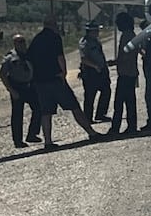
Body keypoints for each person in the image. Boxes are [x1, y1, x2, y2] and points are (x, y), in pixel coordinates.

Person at [26, 15, 100, 148]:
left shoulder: (36, 39)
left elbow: (28, 60)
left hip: (40, 81)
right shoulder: (54, 38)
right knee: (74, 106)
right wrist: (63, 73)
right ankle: (91, 132)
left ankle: (48, 141)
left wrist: (33, 76)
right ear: (53, 24)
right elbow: (60, 57)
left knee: (46, 112)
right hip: (55, 78)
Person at [0, 34, 40, 148]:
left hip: (30, 86)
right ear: (14, 44)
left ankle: (32, 134)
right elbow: (2, 74)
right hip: (17, 87)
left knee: (39, 108)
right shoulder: (10, 57)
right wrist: (11, 90)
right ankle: (18, 141)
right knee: (17, 115)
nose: (22, 44)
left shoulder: (29, 54)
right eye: (19, 42)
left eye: (23, 41)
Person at [108, 12, 140, 135]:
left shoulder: (127, 36)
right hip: (130, 72)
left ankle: (115, 128)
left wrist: (115, 62)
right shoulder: (131, 35)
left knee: (120, 102)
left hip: (126, 73)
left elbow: (126, 56)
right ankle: (131, 126)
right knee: (129, 101)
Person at [78, 20, 112, 123]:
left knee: (106, 91)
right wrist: (95, 66)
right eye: (96, 30)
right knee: (90, 96)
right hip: (91, 72)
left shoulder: (96, 41)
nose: (97, 32)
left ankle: (100, 114)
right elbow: (84, 59)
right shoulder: (85, 42)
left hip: (101, 71)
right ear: (90, 31)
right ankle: (88, 118)